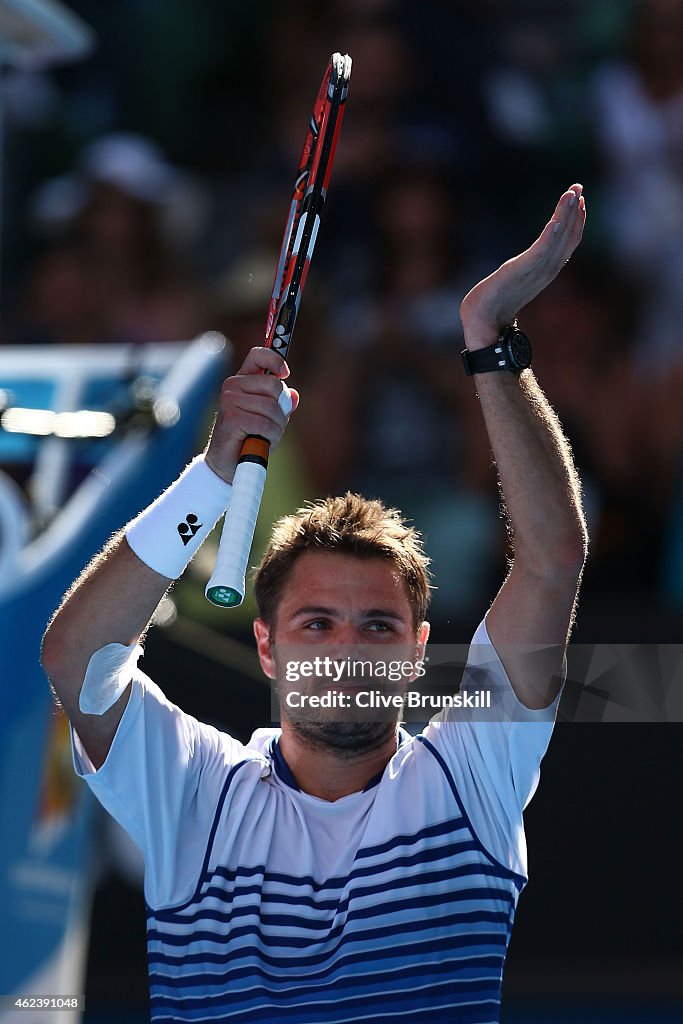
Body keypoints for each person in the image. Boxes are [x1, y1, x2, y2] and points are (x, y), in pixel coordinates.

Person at [42, 184, 588, 1023]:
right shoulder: (196, 790)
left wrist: (491, 343)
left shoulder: (469, 770)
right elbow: (77, 657)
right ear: (267, 648)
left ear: (416, 650)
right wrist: (213, 473)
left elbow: (550, 561)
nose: (346, 648)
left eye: (377, 624)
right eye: (316, 623)